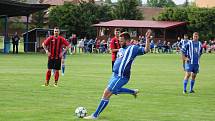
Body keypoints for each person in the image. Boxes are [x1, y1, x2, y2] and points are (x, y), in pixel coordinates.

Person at [84, 30, 151, 120]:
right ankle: (133, 92)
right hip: (114, 75)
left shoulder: (133, 48)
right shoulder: (120, 49)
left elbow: (146, 50)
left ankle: (95, 115)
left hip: (122, 76)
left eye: (121, 41)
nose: (119, 43)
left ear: (127, 41)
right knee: (114, 91)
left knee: (107, 93)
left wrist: (147, 39)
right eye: (119, 41)